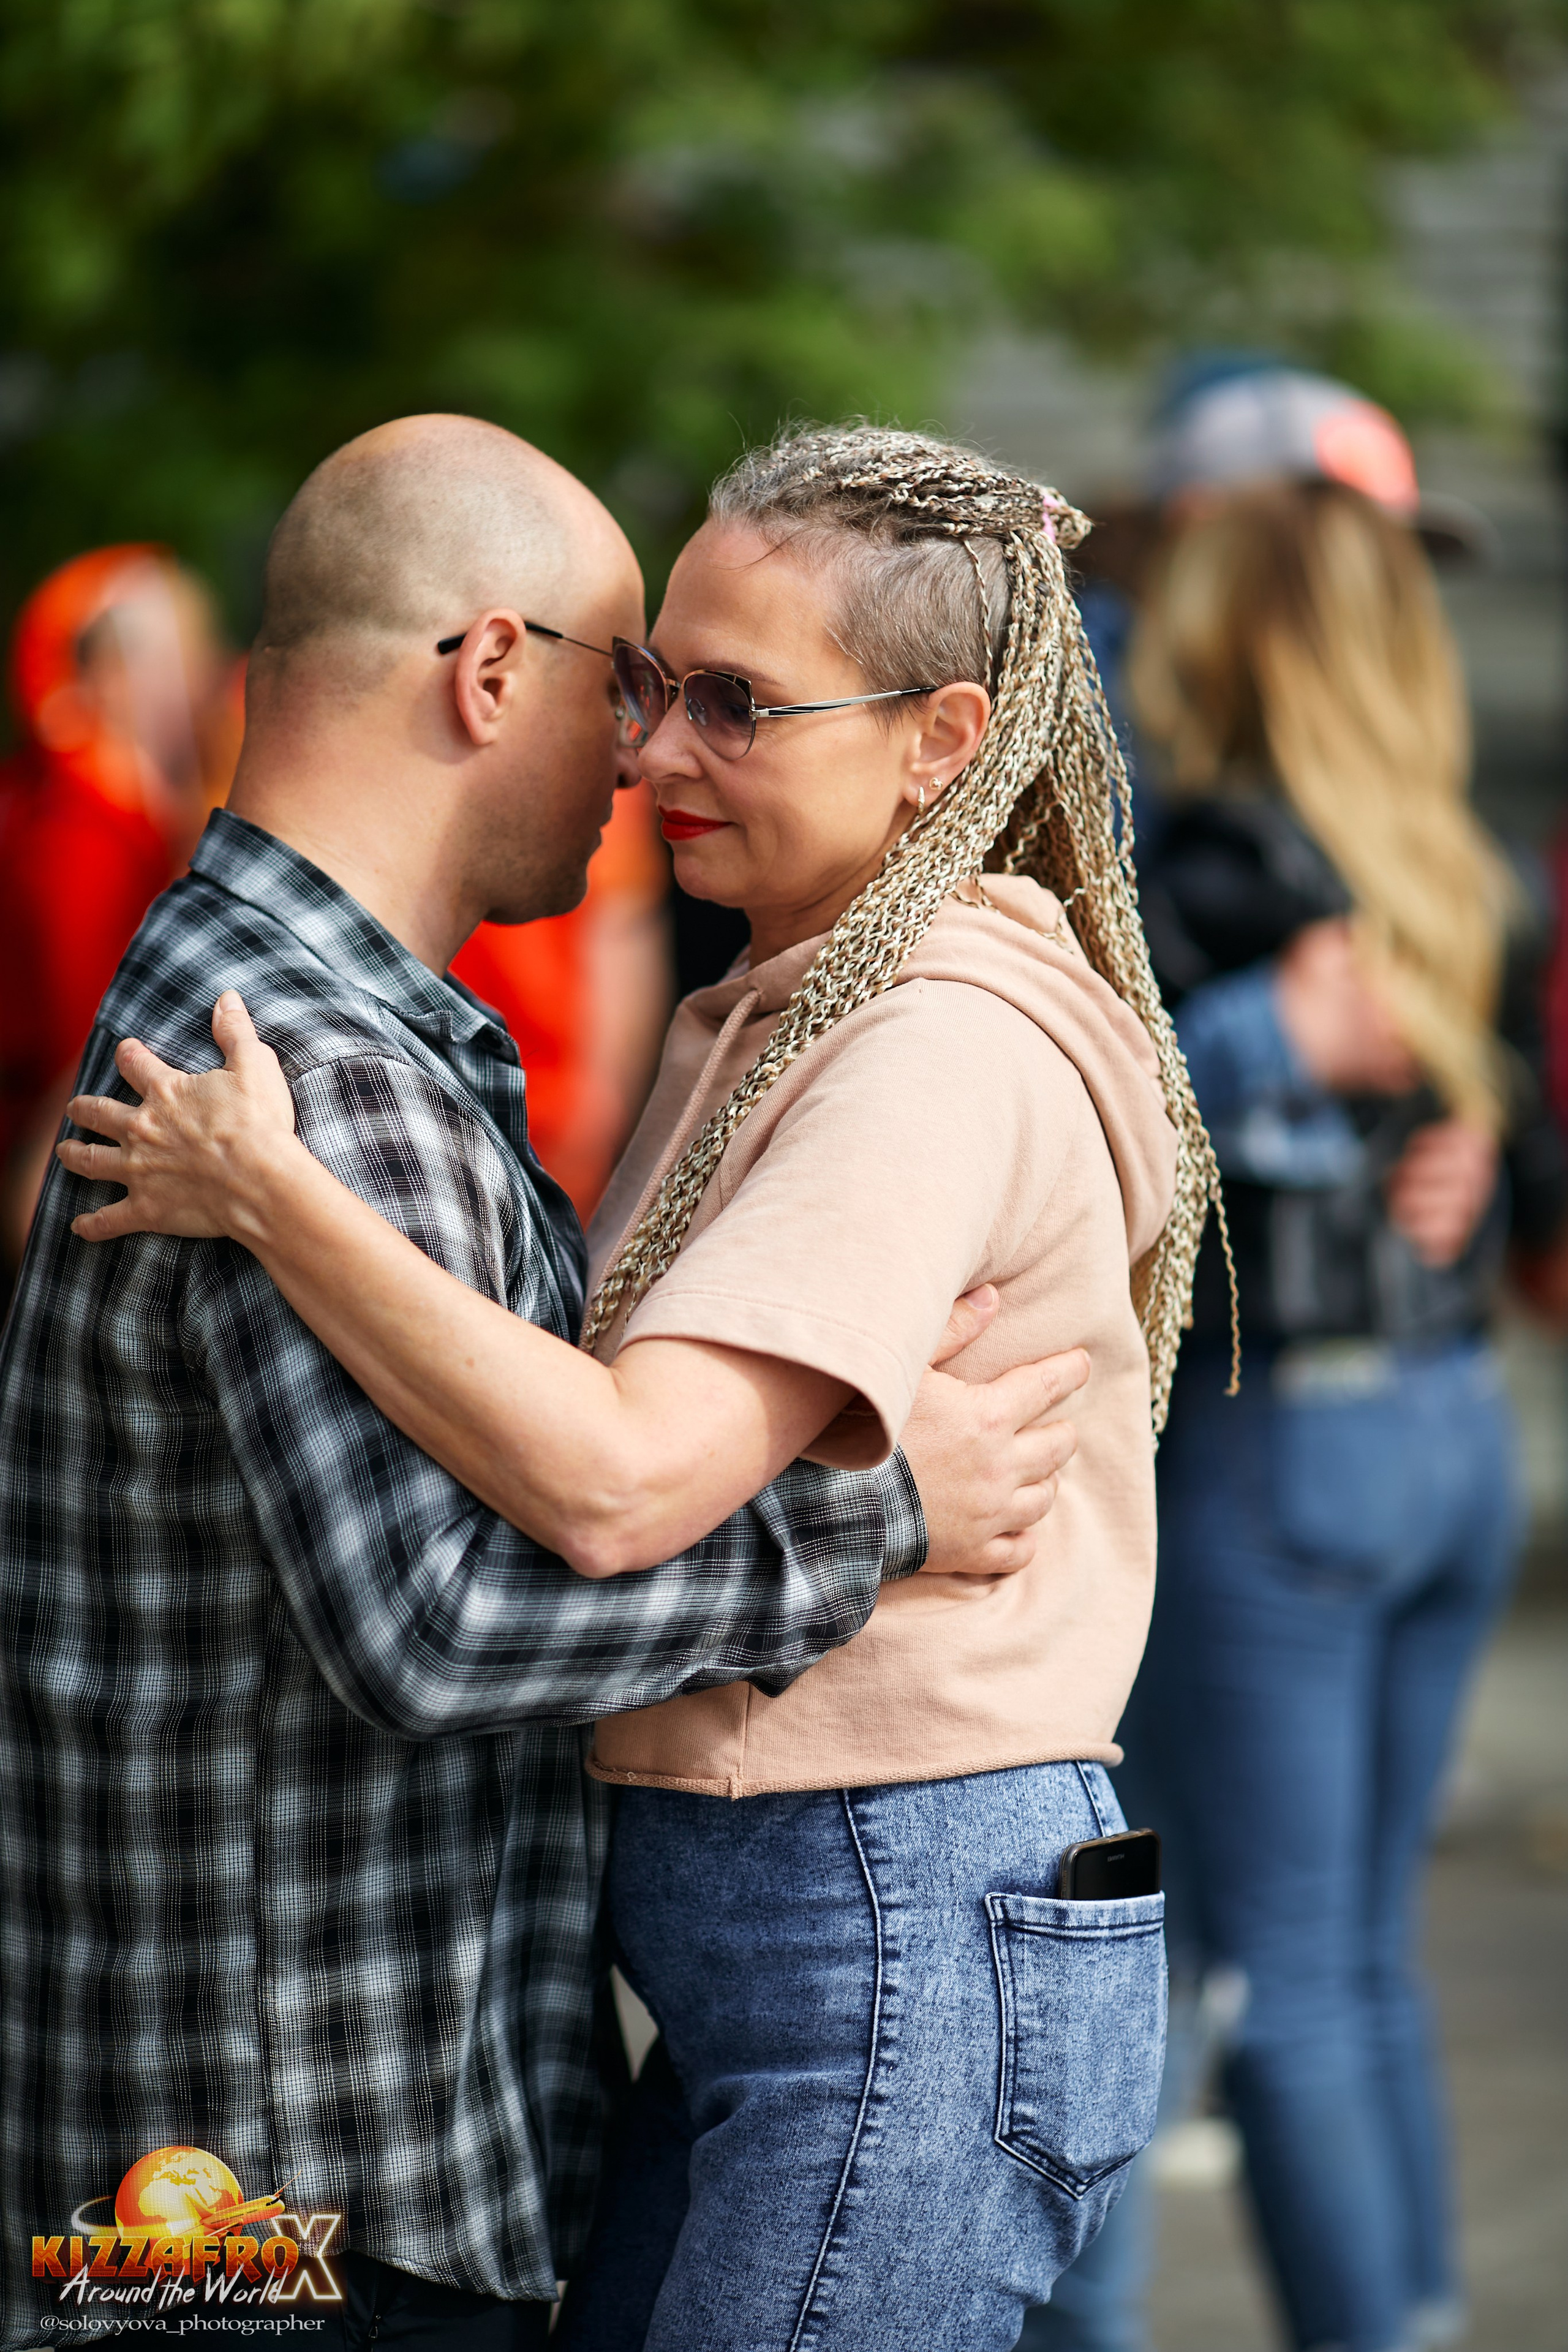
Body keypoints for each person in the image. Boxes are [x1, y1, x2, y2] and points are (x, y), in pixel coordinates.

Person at [59, 425, 1222, 2352]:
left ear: (936, 739)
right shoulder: (779, 998)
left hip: (881, 1924)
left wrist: (276, 1195)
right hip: (795, 1947)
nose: (653, 748)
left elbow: (609, 1484)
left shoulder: (918, 1042)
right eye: (655, 680)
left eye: (734, 703)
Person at [1115, 477, 1564, 2352]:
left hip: (1287, 1447)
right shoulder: (1454, 869)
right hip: (1448, 1430)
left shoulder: (1210, 867)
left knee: (1272, 1981)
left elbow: (1104, 1151)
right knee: (1356, 1964)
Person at [0, 543, 239, 1275]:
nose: (200, 682)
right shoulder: (83, 824)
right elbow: (91, 1033)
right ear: (113, 673)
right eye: (181, 659)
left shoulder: (104, 804)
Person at [451, 780, 673, 1218]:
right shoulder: (593, 748)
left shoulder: (600, 760)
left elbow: (621, 924)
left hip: (551, 1112)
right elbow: (622, 928)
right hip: (506, 1099)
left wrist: (601, 1100)